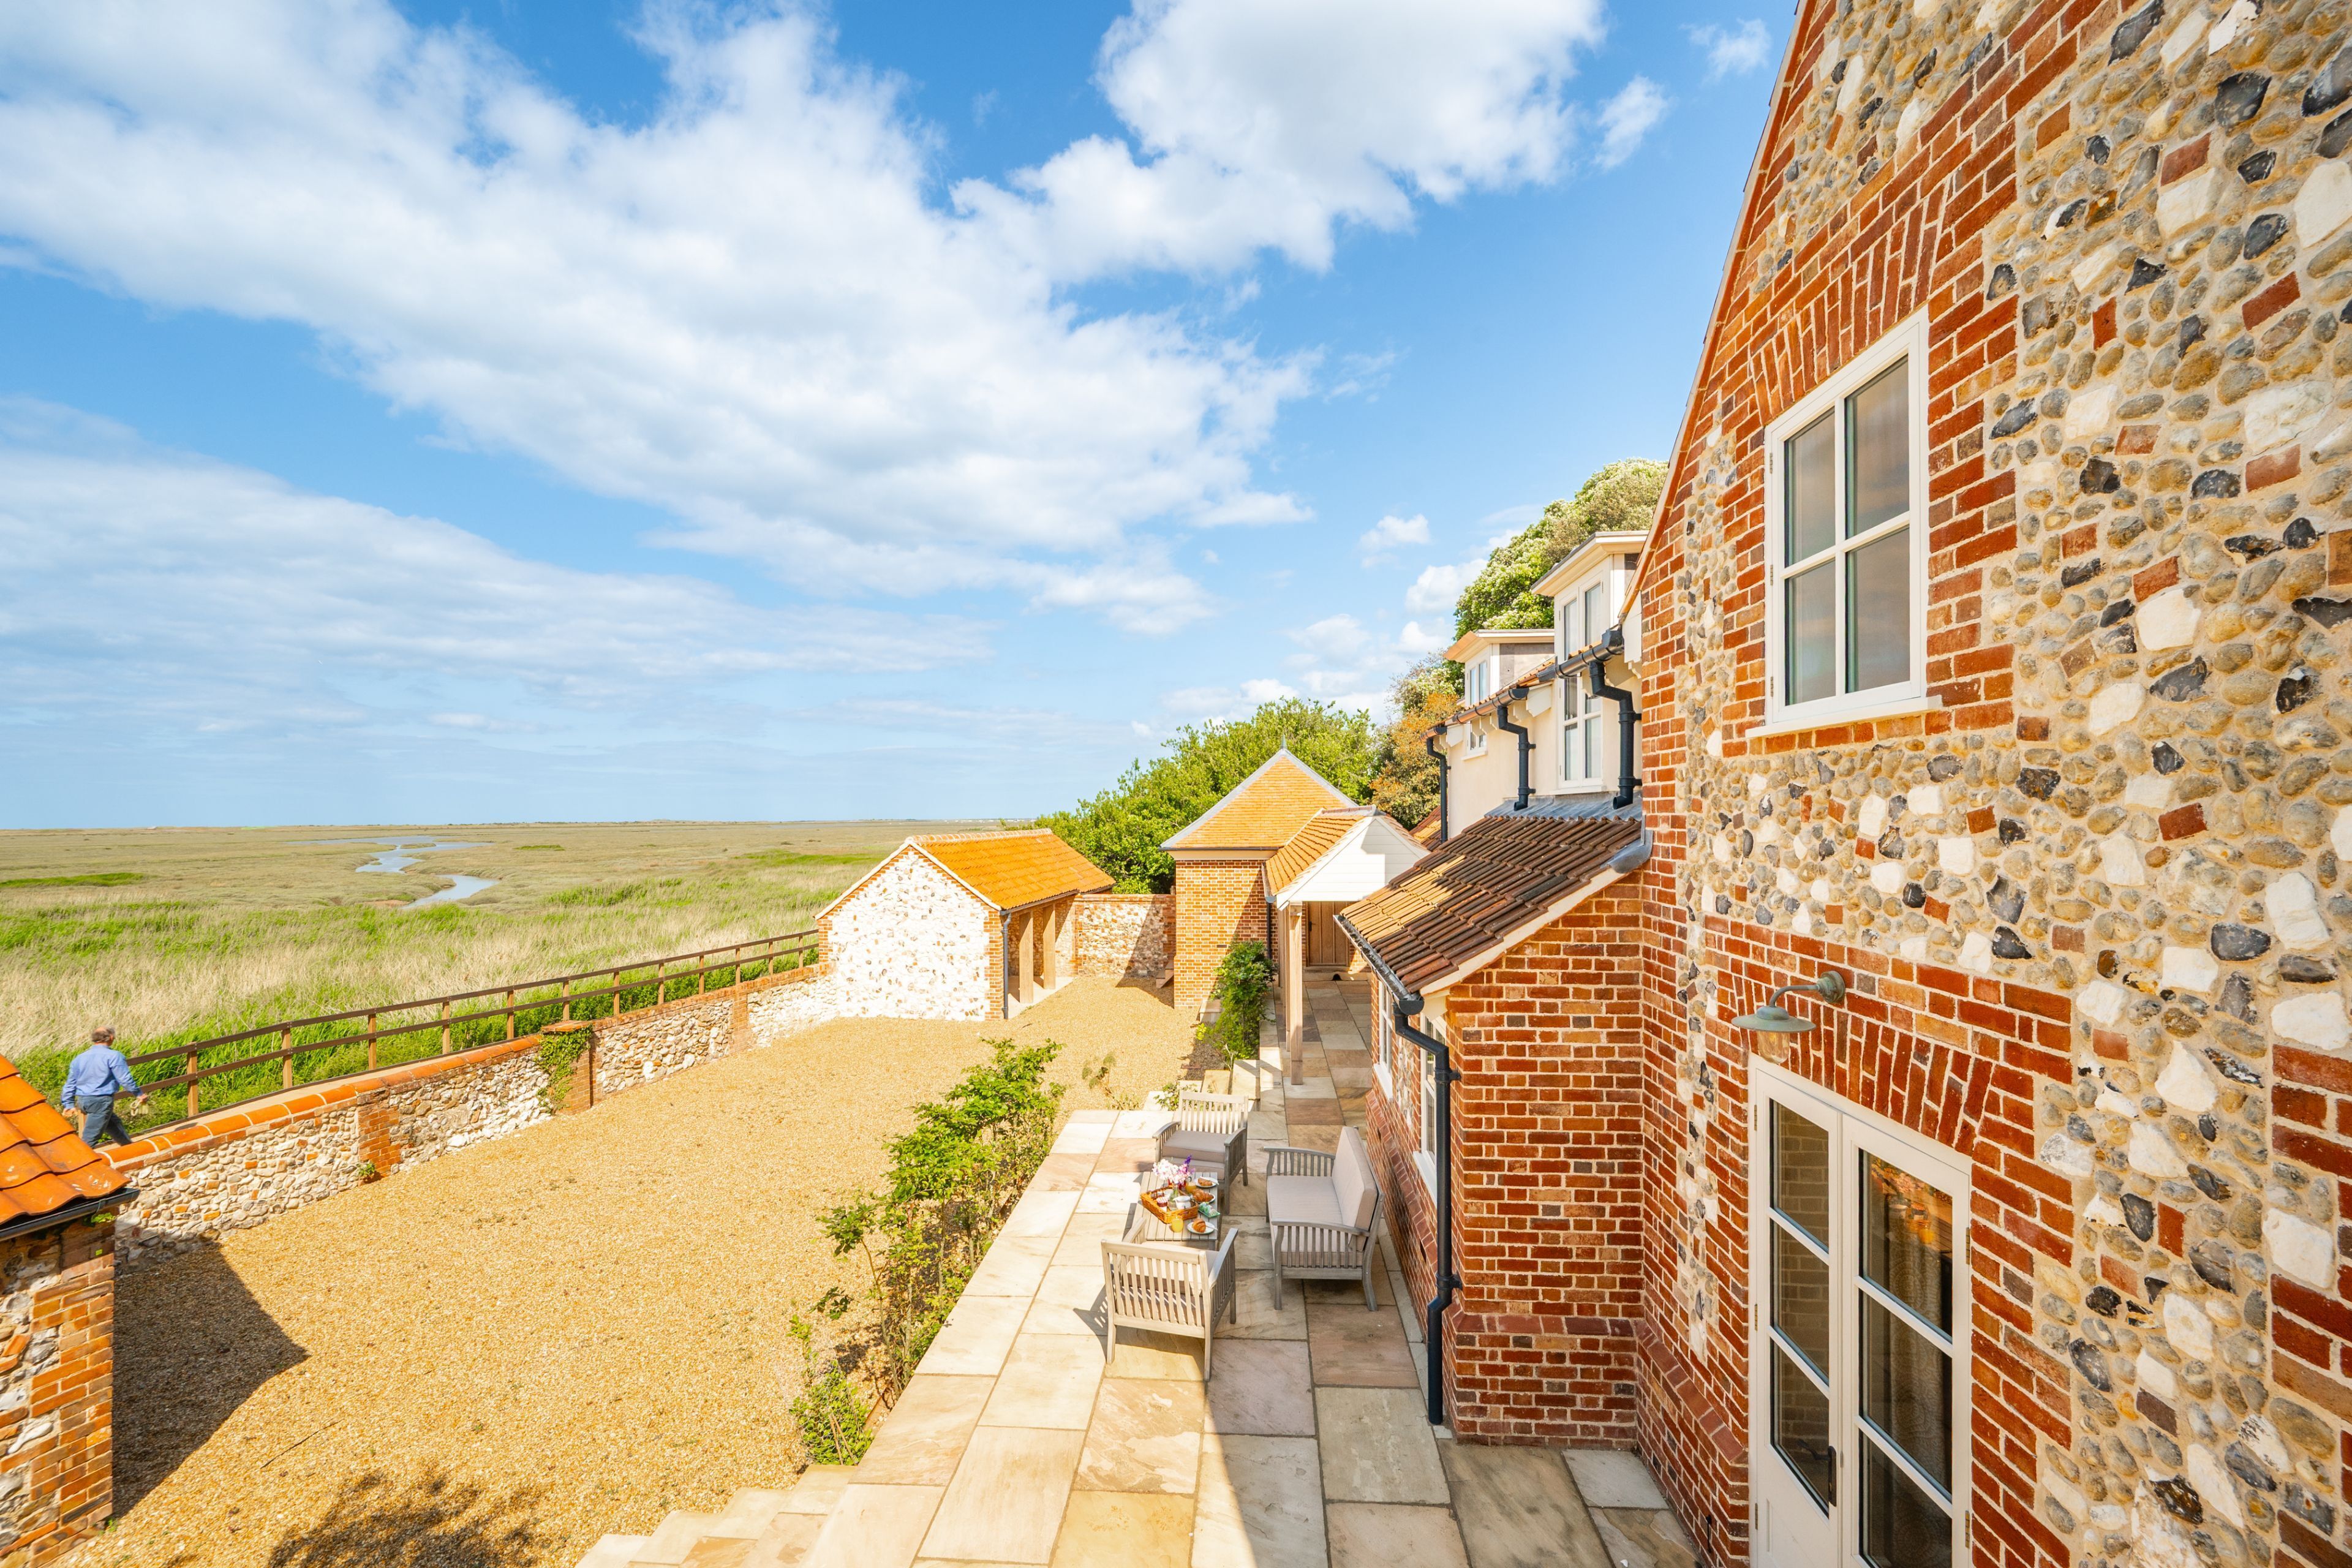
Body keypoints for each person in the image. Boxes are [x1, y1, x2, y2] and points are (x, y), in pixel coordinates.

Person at [61, 1028, 145, 1147]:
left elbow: (70, 1083)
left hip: (83, 1101)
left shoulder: (80, 1058)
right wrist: (139, 1094)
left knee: (113, 1124)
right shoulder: (114, 1056)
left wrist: (68, 1104)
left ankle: (130, 1148)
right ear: (111, 1038)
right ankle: (79, 1158)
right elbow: (124, 1079)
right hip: (101, 1100)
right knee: (90, 1137)